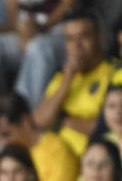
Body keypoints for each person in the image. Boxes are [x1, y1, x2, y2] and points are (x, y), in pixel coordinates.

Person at [32, 10, 114, 157]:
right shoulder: (63, 77)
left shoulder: (115, 73)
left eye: (84, 36)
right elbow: (39, 121)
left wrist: (63, 120)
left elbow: (107, 125)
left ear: (99, 38)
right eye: (70, 39)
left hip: (93, 159)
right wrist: (67, 81)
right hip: (57, 157)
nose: (76, 45)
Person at [0, 92, 80, 181]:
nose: (2, 143)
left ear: (25, 121)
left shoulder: (56, 151)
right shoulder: (4, 153)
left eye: (6, 134)